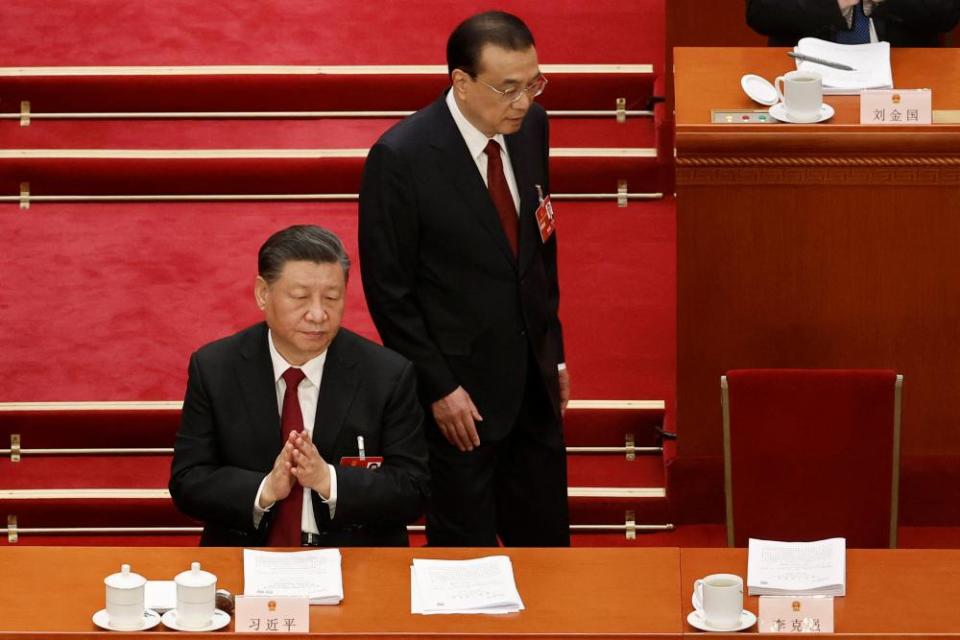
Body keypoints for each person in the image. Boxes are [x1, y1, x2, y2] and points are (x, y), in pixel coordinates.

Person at [358, 11, 570, 547]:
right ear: (461, 81)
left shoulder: (531, 129)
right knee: (465, 564)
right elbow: (390, 292)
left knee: (548, 553)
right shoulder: (401, 158)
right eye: (509, 88)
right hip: (461, 405)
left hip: (533, 385)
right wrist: (439, 387)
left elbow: (540, 250)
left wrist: (555, 351)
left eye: (534, 83)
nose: (525, 100)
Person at [169, 225, 429, 547]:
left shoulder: (387, 375)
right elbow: (187, 481)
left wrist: (329, 481)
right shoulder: (216, 368)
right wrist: (264, 489)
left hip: (353, 562)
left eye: (332, 298)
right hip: (246, 558)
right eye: (301, 297)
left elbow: (414, 489)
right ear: (263, 294)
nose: (319, 314)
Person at [746, 0, 960, 46]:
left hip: (906, 74)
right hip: (805, 74)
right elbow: (760, 12)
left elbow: (947, 12)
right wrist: (835, 4)